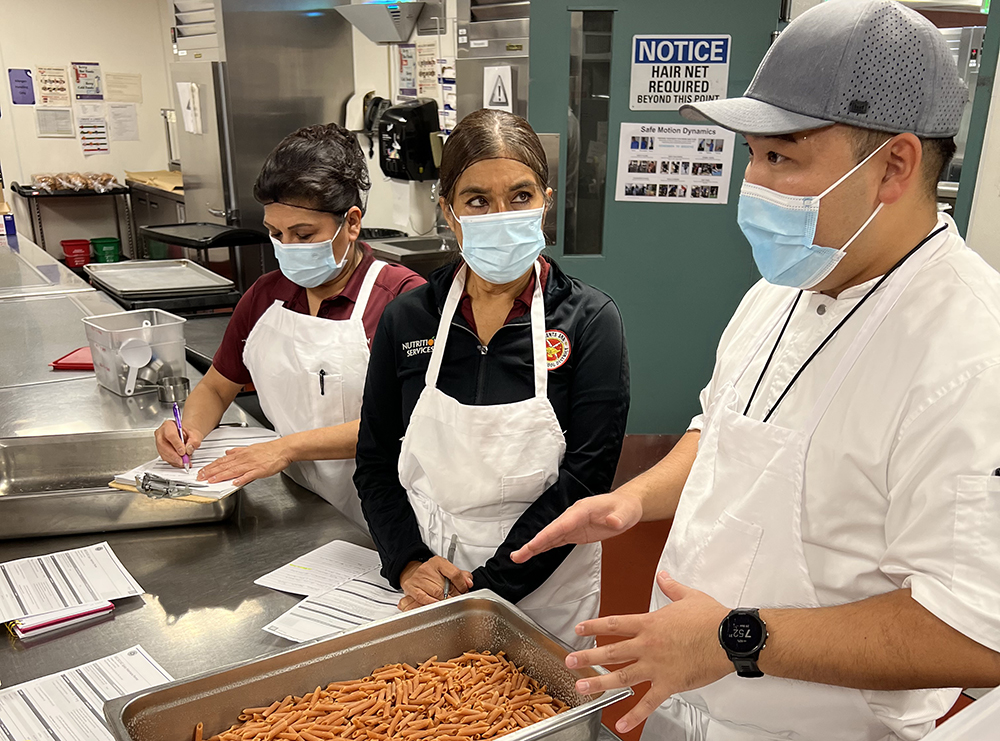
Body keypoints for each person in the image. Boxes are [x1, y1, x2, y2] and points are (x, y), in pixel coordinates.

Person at [512, 1, 1000, 738]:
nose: (755, 186)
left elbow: (973, 631)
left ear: (894, 164)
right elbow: (727, 428)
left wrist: (735, 638)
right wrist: (634, 500)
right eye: (753, 156)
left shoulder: (969, 352)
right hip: (690, 701)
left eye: (783, 157)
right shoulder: (782, 288)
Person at [354, 109, 630, 650]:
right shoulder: (409, 318)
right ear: (448, 211)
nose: (500, 214)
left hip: (542, 576)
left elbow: (585, 480)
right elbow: (375, 461)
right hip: (431, 573)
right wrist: (408, 560)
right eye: (477, 200)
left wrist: (487, 589)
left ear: (546, 201)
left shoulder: (591, 320)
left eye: (520, 196)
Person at [154, 123, 424, 529]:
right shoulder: (266, 295)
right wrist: (187, 430)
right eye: (276, 234)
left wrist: (286, 448)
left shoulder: (401, 299)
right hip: (306, 507)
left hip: (397, 514)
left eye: (304, 234)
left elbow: (410, 420)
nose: (288, 248)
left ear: (351, 223)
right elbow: (216, 385)